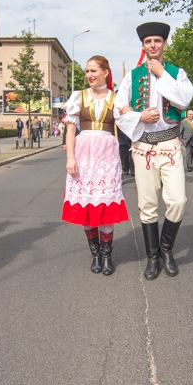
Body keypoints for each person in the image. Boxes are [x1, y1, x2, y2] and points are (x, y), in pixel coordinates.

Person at [115, 22, 193, 280]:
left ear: (164, 44)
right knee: (147, 204)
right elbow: (118, 110)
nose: (153, 45)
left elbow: (184, 100)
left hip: (171, 145)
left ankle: (166, 249)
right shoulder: (132, 76)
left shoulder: (176, 72)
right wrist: (139, 117)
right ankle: (153, 257)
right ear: (143, 45)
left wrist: (162, 74)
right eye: (148, 41)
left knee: (176, 202)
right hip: (143, 147)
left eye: (157, 41)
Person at [62, 55, 128, 275]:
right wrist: (70, 157)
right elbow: (71, 130)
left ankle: (107, 256)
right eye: (87, 71)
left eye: (94, 71)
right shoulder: (78, 97)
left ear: (106, 72)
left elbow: (128, 123)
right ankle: (96, 255)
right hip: (83, 154)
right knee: (86, 206)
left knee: (105, 204)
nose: (89, 75)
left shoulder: (115, 98)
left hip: (107, 154)